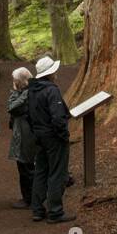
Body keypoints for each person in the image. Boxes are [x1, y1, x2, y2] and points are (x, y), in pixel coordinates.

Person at [27, 54, 72, 223]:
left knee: (41, 171)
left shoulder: (32, 90)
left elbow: (29, 115)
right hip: (53, 137)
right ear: (50, 73)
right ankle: (55, 211)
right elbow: (58, 118)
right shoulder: (51, 90)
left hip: (39, 136)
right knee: (57, 172)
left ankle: (37, 209)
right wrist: (63, 135)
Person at [7, 66, 35, 208]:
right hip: (23, 133)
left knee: (26, 167)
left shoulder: (27, 94)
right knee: (24, 166)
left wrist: (19, 92)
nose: (13, 82)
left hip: (26, 135)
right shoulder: (22, 93)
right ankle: (29, 197)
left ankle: (29, 199)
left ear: (21, 82)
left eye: (15, 80)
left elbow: (12, 107)